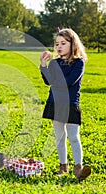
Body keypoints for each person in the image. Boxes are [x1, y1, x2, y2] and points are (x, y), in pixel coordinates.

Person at [39, 28, 91, 180]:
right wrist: (44, 65)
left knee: (73, 137)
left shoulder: (78, 63)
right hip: (55, 103)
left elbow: (69, 82)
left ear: (72, 44)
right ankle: (63, 166)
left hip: (70, 104)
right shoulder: (54, 63)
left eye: (63, 43)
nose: (59, 47)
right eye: (56, 44)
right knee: (60, 137)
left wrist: (55, 81)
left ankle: (78, 167)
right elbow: (48, 81)